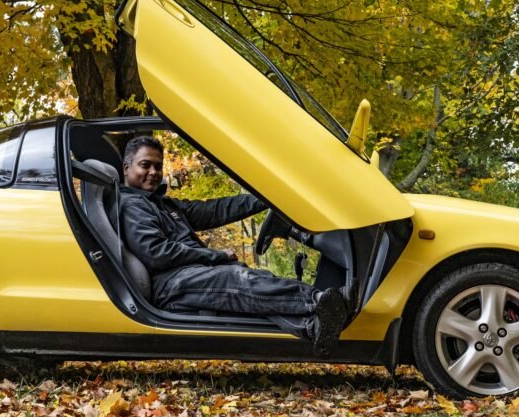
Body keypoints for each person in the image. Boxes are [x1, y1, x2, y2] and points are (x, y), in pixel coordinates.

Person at [118, 136, 352, 356]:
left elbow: (216, 210)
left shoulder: (164, 205)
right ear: (127, 168)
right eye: (145, 165)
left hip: (189, 275)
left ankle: (312, 327)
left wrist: (267, 198)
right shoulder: (133, 206)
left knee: (256, 283)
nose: (153, 172)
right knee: (239, 280)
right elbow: (156, 253)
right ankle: (320, 301)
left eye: (158, 166)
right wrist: (215, 255)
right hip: (171, 284)